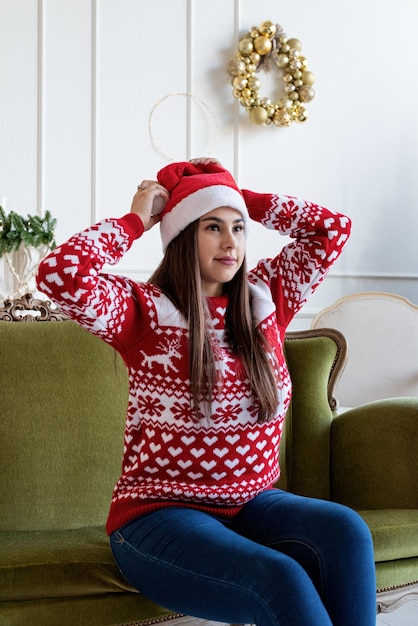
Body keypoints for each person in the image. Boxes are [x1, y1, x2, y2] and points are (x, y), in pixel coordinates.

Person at [36, 158, 376, 626]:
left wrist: (238, 196)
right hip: (158, 516)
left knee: (347, 531)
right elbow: (59, 273)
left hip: (250, 503)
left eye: (238, 228)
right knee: (281, 577)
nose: (231, 240)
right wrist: (137, 219)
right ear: (181, 236)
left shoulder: (267, 298)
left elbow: (331, 229)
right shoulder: (145, 313)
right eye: (212, 227)